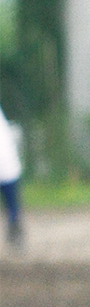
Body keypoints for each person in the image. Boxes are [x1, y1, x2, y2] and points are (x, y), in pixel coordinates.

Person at [0, 103, 24, 249]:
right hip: (10, 166)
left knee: (12, 206)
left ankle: (15, 230)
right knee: (12, 207)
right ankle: (15, 230)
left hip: (7, 165)